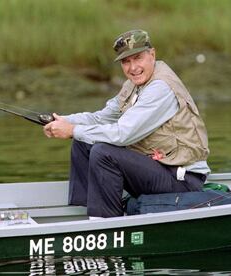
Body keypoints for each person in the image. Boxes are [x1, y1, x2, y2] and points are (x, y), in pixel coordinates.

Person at [43, 29, 210, 218]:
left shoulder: (161, 88)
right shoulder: (133, 85)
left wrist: (72, 130)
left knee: (103, 152)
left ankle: (108, 224)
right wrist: (64, 121)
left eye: (137, 58)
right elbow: (102, 117)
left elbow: (123, 134)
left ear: (152, 54)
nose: (132, 67)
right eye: (126, 61)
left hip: (182, 181)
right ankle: (87, 213)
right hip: (158, 169)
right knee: (83, 142)